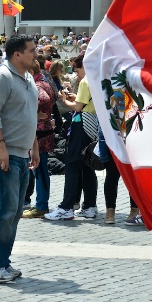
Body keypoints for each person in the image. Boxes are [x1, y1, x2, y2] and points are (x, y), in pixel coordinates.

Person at [0, 35, 39, 282]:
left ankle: (2, 261)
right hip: (2, 152)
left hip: (21, 152)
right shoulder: (2, 77)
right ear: (17, 54)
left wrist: (34, 147)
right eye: (31, 50)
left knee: (14, 211)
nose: (35, 54)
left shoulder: (28, 78)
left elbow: (29, 115)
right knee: (4, 209)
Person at [45, 53, 99, 220]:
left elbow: (77, 107)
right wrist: (76, 99)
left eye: (77, 69)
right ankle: (90, 205)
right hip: (92, 125)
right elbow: (85, 102)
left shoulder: (85, 82)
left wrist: (64, 100)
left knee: (72, 164)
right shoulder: (97, 79)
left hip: (80, 124)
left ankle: (66, 206)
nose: (76, 73)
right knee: (87, 164)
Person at [21, 61, 54, 219]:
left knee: (39, 170)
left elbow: (44, 99)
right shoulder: (44, 82)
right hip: (42, 131)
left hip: (39, 133)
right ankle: (41, 204)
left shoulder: (37, 85)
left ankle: (41, 206)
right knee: (39, 170)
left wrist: (34, 113)